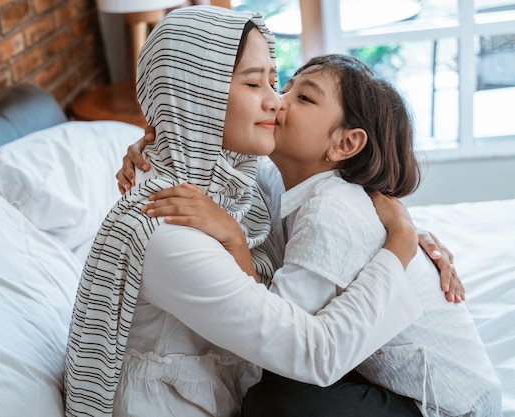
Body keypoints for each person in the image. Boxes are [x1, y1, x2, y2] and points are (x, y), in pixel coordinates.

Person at [65, 6, 424, 417]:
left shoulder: (239, 179)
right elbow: (311, 354)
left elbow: (327, 200)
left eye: (275, 81)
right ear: (198, 94)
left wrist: (407, 231)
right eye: (256, 83)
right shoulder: (169, 228)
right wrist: (401, 246)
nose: (277, 102)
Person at [136, 54, 502, 416]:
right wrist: (148, 149)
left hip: (447, 405)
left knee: (274, 402)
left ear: (344, 144)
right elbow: (221, 160)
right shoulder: (283, 178)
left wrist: (233, 238)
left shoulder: (329, 208)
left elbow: (276, 337)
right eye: (286, 86)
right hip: (373, 366)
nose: (278, 99)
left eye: (304, 98)